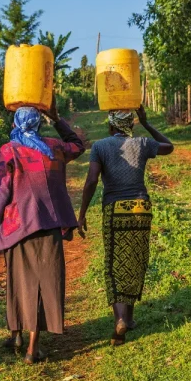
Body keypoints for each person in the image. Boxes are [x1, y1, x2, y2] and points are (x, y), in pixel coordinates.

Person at [0, 97, 85, 364]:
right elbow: (78, 145)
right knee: (45, 283)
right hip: (49, 225)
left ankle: (16, 334)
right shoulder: (54, 147)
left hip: (17, 227)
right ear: (39, 124)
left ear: (15, 123)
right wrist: (57, 117)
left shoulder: (9, 150)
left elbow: (2, 191)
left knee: (20, 283)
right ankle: (31, 348)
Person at [77, 107, 173, 346]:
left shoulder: (100, 147)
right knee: (135, 260)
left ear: (110, 126)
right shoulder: (141, 143)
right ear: (131, 126)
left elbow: (91, 180)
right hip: (141, 208)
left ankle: (120, 319)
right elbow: (168, 146)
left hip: (115, 209)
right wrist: (148, 125)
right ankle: (128, 319)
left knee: (115, 264)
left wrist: (82, 213)